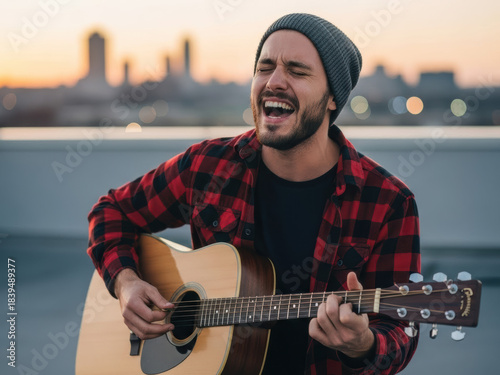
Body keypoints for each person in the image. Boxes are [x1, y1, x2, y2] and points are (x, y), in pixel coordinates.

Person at [87, 13, 420, 375]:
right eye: (265, 68)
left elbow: (399, 331)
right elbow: (111, 211)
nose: (274, 82)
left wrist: (363, 344)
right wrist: (127, 283)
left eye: (297, 70)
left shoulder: (388, 202)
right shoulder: (208, 166)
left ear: (332, 99)